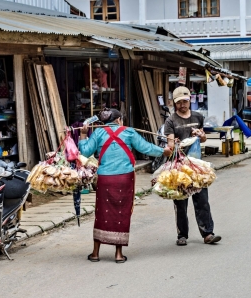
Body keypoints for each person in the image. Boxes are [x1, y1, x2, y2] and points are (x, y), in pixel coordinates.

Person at [78, 108, 172, 263]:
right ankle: (118, 254)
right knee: (121, 214)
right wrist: (163, 151)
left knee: (101, 214)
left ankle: (95, 253)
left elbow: (85, 152)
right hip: (124, 179)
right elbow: (146, 147)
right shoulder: (129, 132)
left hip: (105, 179)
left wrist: (83, 134)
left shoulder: (98, 133)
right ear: (119, 120)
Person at [164, 86, 222, 246]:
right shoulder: (171, 121)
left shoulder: (197, 117)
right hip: (179, 165)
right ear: (175, 103)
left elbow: (203, 139)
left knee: (202, 200)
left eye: (185, 101)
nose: (182, 105)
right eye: (179, 102)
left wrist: (202, 136)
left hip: (197, 165)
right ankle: (182, 235)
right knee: (180, 201)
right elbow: (169, 145)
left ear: (189, 100)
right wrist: (173, 143)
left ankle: (208, 233)